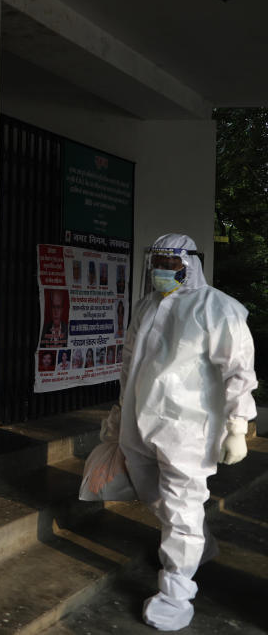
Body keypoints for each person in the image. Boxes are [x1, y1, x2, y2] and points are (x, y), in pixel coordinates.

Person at [101, 233, 257, 631]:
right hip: (140, 424)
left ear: (189, 264)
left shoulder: (217, 308)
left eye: (169, 264)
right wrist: (119, 412)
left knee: (182, 505)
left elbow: (238, 370)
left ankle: (176, 591)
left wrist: (238, 425)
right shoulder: (146, 306)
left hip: (189, 427)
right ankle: (198, 544)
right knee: (154, 496)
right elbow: (129, 362)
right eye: (156, 262)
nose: (160, 271)